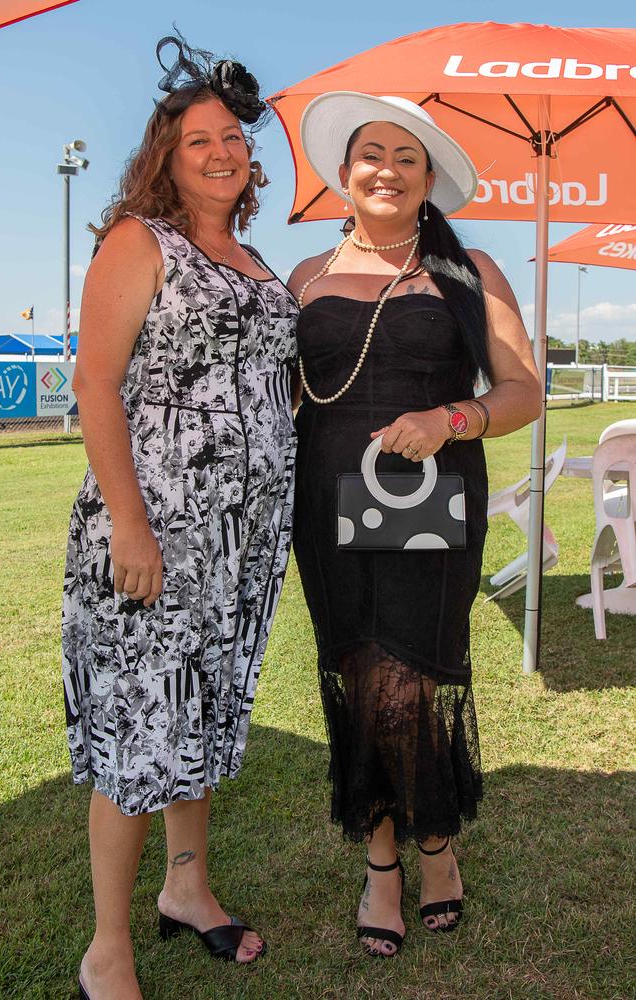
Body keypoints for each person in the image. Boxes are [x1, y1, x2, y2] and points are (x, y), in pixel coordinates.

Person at [62, 35, 298, 998]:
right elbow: (97, 383)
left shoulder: (254, 258)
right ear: (165, 156)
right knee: (138, 726)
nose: (220, 150)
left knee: (197, 716)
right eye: (197, 138)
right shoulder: (138, 241)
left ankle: (187, 892)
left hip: (241, 540)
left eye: (233, 136)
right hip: (154, 532)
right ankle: (105, 948)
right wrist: (130, 523)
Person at [288, 92, 541, 958]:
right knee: (359, 678)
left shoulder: (468, 273)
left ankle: (425, 852)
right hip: (324, 512)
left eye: (406, 156)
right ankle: (386, 854)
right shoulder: (305, 280)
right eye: (371, 154)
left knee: (409, 684)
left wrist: (449, 419)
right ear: (344, 176)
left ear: (428, 177)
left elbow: (522, 392)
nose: (387, 169)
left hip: (430, 509)